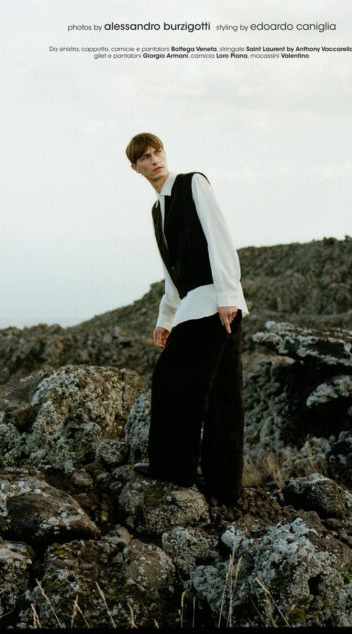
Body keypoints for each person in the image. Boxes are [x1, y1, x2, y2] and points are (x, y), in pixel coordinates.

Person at [125, 133, 248, 505]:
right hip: (199, 304)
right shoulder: (158, 211)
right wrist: (166, 317)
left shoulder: (193, 183)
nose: (154, 159)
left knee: (171, 380)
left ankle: (174, 467)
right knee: (223, 394)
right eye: (145, 157)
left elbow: (219, 237)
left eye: (157, 152)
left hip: (213, 303)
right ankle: (225, 486)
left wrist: (228, 295)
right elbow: (172, 271)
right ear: (135, 167)